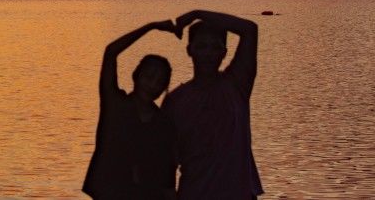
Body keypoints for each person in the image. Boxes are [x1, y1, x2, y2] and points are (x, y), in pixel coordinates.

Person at [163, 10, 263, 199]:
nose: (208, 53)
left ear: (224, 52)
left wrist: (197, 13)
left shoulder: (236, 85)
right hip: (194, 193)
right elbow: (166, 159)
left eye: (214, 47)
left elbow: (249, 29)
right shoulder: (175, 101)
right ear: (189, 50)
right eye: (201, 46)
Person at [83, 21, 178, 200]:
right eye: (149, 77)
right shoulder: (115, 104)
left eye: (160, 82)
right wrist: (150, 27)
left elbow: (167, 173)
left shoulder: (162, 123)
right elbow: (111, 52)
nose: (153, 85)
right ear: (136, 76)